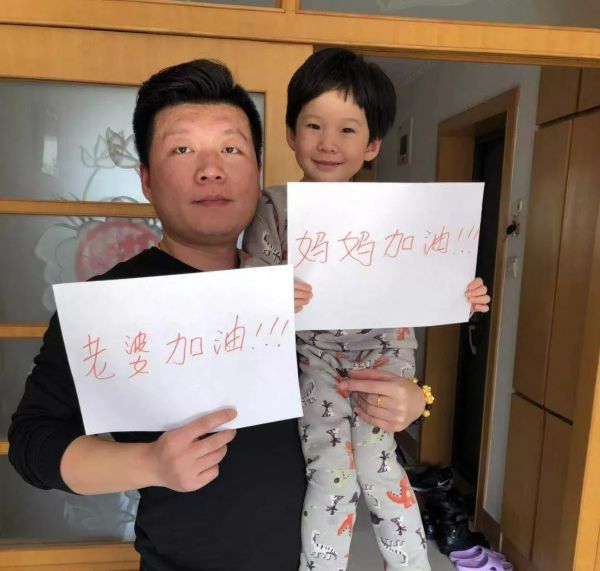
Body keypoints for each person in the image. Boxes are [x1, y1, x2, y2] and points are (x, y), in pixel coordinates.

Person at [8, 59, 437, 571]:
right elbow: (33, 443)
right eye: (182, 149)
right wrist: (149, 463)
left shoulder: (314, 277)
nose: (211, 168)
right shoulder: (113, 302)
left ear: (258, 172)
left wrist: (415, 400)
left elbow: (372, 354)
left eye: (231, 149)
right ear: (146, 179)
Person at [242, 48, 490, 571]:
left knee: (379, 468)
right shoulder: (273, 205)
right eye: (313, 125)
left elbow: (427, 274)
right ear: (290, 133)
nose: (328, 143)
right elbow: (247, 289)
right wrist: (270, 291)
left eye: (348, 130)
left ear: (373, 144)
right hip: (314, 357)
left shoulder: (397, 210)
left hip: (385, 351)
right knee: (331, 473)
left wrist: (459, 294)